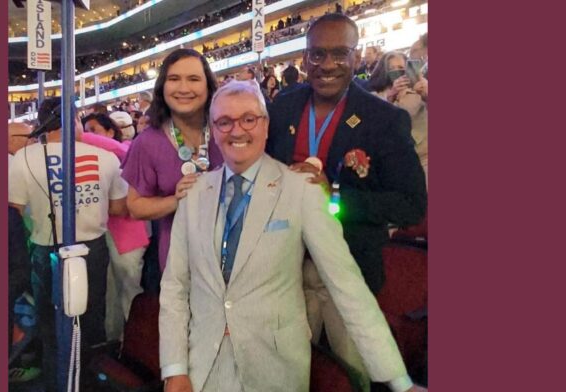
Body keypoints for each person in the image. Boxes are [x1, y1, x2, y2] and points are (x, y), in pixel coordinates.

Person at [160, 80, 425, 392]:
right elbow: (175, 287)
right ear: (213, 131)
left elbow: (347, 286)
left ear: (266, 125)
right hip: (202, 365)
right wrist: (175, 367)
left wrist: (400, 381)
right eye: (224, 121)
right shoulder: (193, 195)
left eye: (248, 119)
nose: (237, 130)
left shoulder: (302, 191)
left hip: (275, 368)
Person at [265, 13, 427, 391]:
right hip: (286, 270)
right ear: (304, 58)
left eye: (340, 54)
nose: (327, 66)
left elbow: (411, 203)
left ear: (356, 57)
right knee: (290, 372)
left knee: (352, 374)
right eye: (317, 55)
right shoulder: (283, 107)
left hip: (349, 268)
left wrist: (335, 196)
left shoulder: (383, 119)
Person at [8, 97, 129, 390]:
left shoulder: (23, 158)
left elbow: (14, 208)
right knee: (91, 322)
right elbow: (118, 207)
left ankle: (56, 382)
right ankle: (89, 382)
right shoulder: (106, 158)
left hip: (45, 250)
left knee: (49, 325)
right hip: (93, 249)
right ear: (73, 120)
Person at [121, 48, 223, 274]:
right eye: (174, 79)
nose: (184, 88)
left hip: (233, 255)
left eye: (194, 79)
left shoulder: (227, 129)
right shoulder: (148, 142)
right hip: (180, 264)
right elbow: (135, 206)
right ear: (162, 87)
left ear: (208, 86)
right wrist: (178, 201)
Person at [80, 112, 149, 340]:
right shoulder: (92, 158)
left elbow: (120, 150)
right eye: (85, 130)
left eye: (94, 130)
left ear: (110, 131)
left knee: (129, 290)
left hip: (128, 233)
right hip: (105, 232)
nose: (89, 135)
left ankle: (136, 343)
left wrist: (77, 135)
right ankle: (114, 342)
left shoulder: (124, 150)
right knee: (109, 293)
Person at [368, 51, 428, 184]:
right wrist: (390, 96)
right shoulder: (375, 96)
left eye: (401, 68)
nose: (397, 73)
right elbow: (374, 121)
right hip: (393, 160)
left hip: (423, 158)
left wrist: (426, 94)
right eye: (391, 69)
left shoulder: (420, 88)